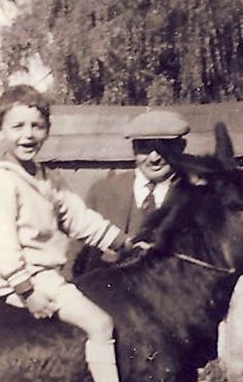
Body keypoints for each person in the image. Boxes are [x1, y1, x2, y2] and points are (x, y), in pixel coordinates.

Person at [0, 84, 168, 382]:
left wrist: (123, 243)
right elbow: (0, 245)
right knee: (100, 324)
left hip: (48, 276)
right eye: (18, 126)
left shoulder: (47, 178)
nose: (28, 135)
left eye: (37, 126)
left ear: (47, 130)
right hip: (25, 278)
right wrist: (27, 292)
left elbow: (79, 219)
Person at [73, 110, 190, 275]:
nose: (154, 158)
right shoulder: (103, 192)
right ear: (134, 149)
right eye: (145, 148)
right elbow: (75, 254)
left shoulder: (194, 196)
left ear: (181, 147)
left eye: (164, 147)